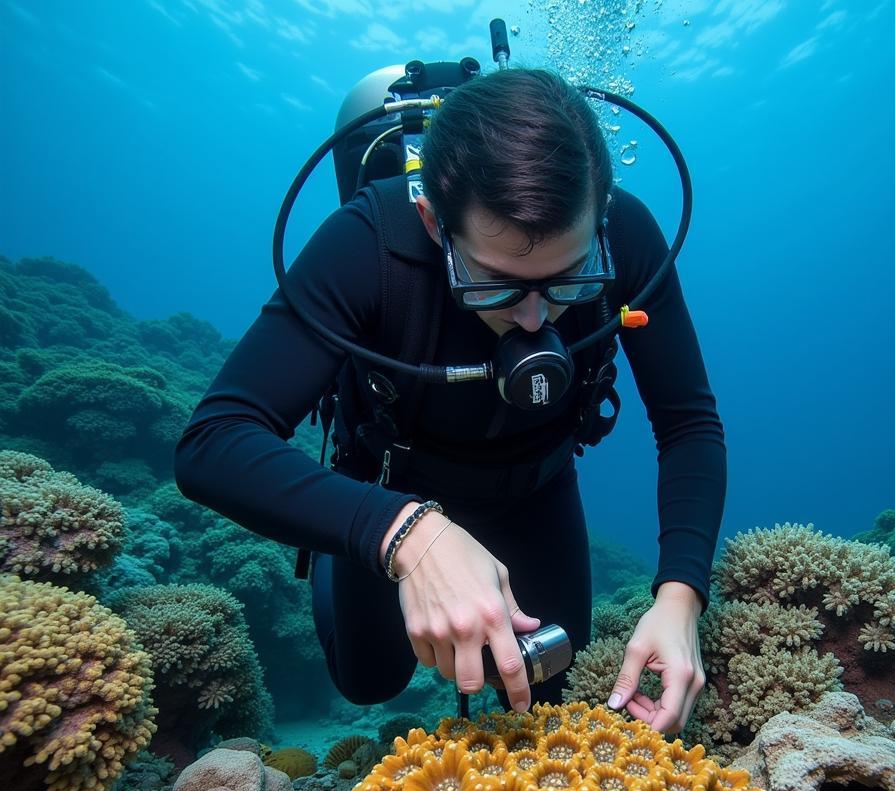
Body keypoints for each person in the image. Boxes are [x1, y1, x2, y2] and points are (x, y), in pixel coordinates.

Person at [174, 68, 726, 734]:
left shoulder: (628, 237)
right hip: (388, 485)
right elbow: (213, 442)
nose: (533, 320)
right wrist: (406, 533)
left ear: (599, 221)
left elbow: (689, 424)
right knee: (369, 682)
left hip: (537, 485)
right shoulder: (366, 244)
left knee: (554, 684)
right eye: (495, 286)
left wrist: (680, 597)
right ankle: (343, 557)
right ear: (434, 221)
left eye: (569, 281)